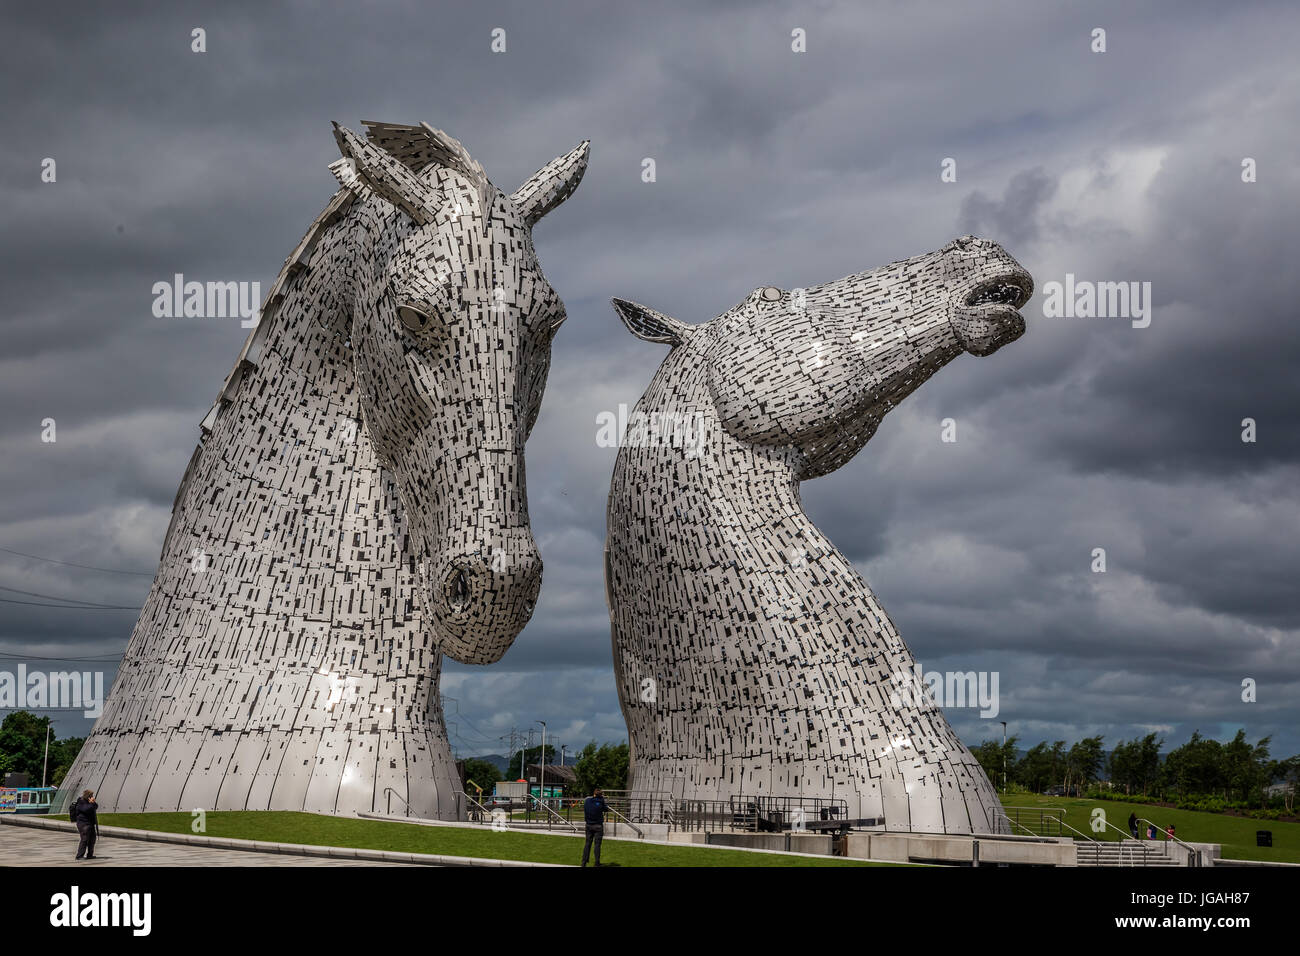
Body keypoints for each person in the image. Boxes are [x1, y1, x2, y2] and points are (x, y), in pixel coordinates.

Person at [581, 787, 610, 867]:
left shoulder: (587, 801)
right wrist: (602, 800)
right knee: (597, 845)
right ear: (600, 795)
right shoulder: (601, 802)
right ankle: (597, 863)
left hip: (588, 825)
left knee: (587, 844)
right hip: (598, 826)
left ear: (594, 794)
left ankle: (584, 862)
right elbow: (606, 809)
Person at [71, 789, 99, 861]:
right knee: (84, 839)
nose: (92, 797)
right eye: (91, 795)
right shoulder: (81, 802)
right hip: (83, 824)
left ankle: (90, 855)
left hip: (90, 823)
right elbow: (85, 809)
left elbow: (96, 806)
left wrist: (93, 803)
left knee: (92, 839)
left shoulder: (89, 802)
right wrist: (91, 804)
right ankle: (79, 856)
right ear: (88, 796)